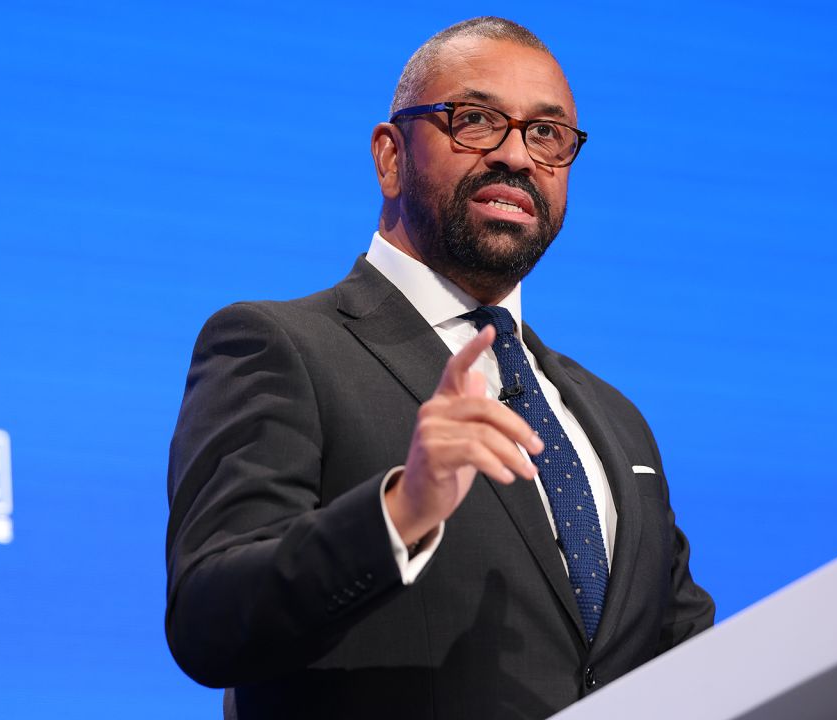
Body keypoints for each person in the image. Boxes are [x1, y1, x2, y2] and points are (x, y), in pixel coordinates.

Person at [165, 16, 715, 720]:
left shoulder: (615, 421)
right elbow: (210, 621)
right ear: (390, 156)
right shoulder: (280, 347)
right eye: (477, 120)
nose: (518, 156)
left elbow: (690, 661)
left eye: (547, 134)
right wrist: (402, 512)